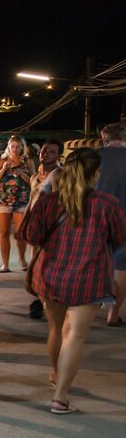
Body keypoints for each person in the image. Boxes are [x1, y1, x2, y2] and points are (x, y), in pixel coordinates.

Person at [18, 149, 126, 413]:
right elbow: (120, 239)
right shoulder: (107, 203)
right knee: (75, 335)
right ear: (96, 174)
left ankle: (57, 372)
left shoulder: (49, 201)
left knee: (56, 330)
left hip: (51, 276)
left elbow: (31, 235)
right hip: (88, 278)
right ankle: (60, 398)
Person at [94, 124, 126, 326]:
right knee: (121, 268)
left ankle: (87, 310)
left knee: (94, 264)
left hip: (95, 221)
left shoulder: (93, 158)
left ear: (103, 138)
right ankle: (113, 315)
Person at [0, 135, 35, 272]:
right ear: (8, 147)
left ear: (22, 147)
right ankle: (5, 264)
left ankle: (22, 259)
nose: (15, 149)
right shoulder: (1, 161)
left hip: (21, 200)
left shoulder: (27, 162)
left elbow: (34, 181)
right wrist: (3, 169)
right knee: (4, 233)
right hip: (4, 201)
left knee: (20, 233)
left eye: (18, 146)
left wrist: (22, 174)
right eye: (13, 146)